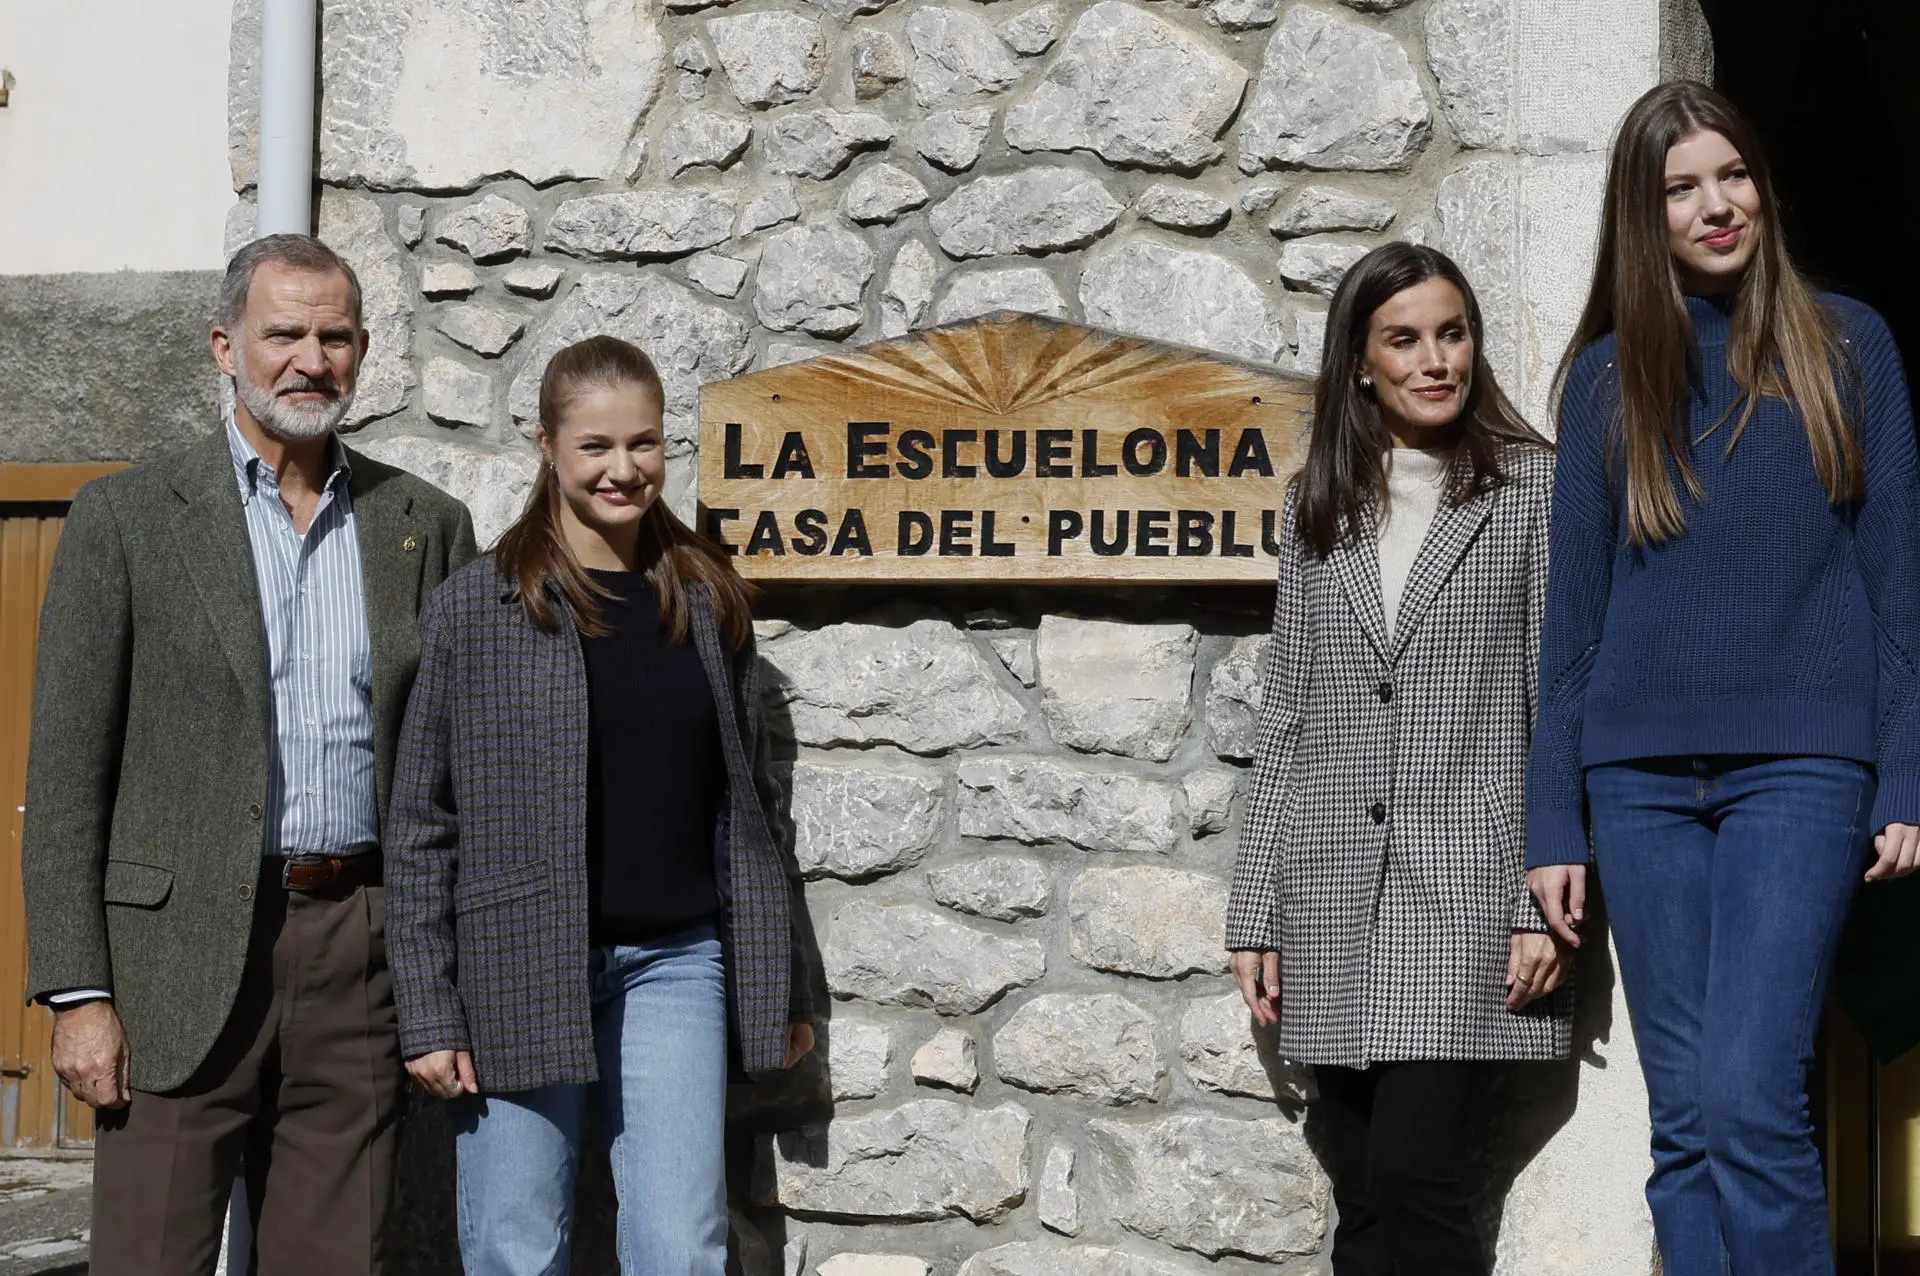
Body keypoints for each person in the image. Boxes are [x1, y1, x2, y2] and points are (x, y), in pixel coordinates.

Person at [20, 233, 478, 1274]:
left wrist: (448, 971)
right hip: (172, 965)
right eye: (284, 334)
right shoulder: (127, 519)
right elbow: (63, 783)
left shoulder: (426, 525)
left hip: (360, 950)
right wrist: (77, 991)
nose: (309, 359)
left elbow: (457, 767)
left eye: (335, 335)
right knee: (149, 1256)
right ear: (226, 345)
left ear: (362, 351)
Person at [1527, 80, 1920, 1275]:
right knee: (1685, 1125)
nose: (1716, 206)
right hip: (1636, 782)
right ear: (1643, 218)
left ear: (1763, 186)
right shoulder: (1604, 379)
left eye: (1733, 176)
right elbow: (1574, 624)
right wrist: (1555, 818)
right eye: (1681, 188)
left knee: (1754, 1105)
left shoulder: (1850, 345)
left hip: (1804, 768)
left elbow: (1897, 583)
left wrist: (1904, 769)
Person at [386, 334, 815, 1276]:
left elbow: (748, 814)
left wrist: (781, 981)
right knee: (515, 1245)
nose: (625, 471)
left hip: (676, 968)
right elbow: (421, 823)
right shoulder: (477, 608)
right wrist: (429, 1006)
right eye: (597, 447)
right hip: (516, 964)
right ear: (546, 446)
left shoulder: (708, 602)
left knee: (680, 1246)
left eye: (646, 444)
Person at [1227, 242, 1572, 1276]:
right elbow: (1289, 711)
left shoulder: (1534, 492)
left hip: (1466, 892)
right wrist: (1258, 907)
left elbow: (1556, 705)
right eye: (1406, 339)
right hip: (1331, 891)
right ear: (1361, 362)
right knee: (1360, 1183)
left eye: (1453, 333)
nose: (1436, 360)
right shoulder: (1316, 506)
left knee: (1416, 1169)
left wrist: (1536, 901)